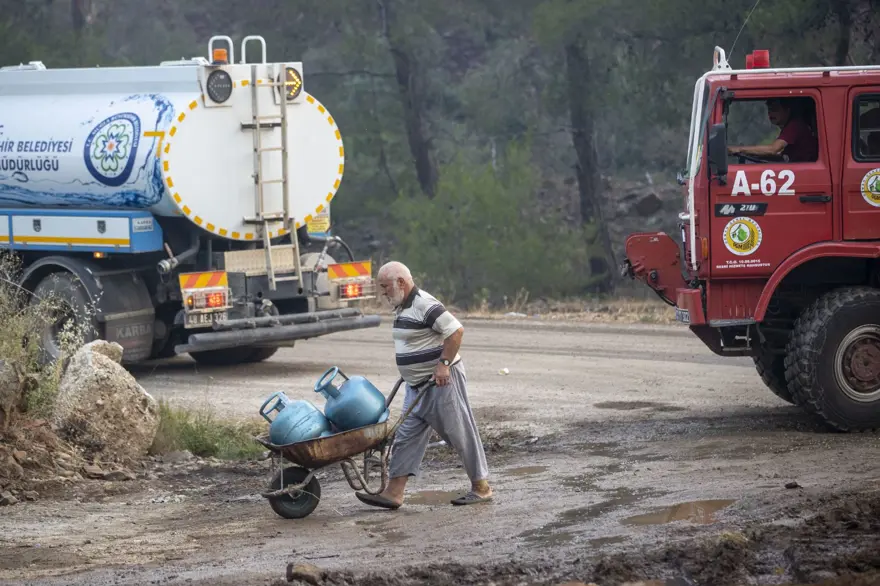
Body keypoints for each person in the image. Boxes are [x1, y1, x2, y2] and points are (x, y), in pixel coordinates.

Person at [354, 261, 493, 509]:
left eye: (385, 286)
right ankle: (394, 493)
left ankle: (481, 487)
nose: (383, 292)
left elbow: (456, 331)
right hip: (416, 385)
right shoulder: (402, 306)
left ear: (401, 282)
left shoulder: (424, 304)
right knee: (405, 437)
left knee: (460, 433)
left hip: (440, 383)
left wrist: (444, 364)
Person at [728, 98, 818, 162]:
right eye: (769, 110)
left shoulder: (794, 126)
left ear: (787, 110)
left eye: (775, 109)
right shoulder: (789, 127)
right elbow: (781, 156)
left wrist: (739, 149)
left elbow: (773, 149)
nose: (770, 114)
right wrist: (752, 154)